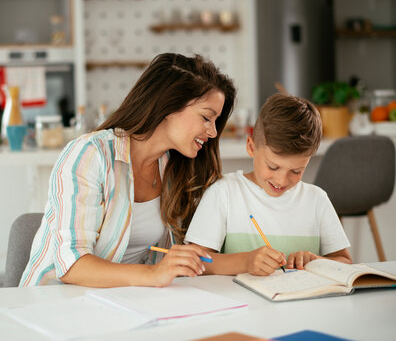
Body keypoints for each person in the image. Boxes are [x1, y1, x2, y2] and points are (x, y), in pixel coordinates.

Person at [20, 53, 237, 287]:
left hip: (126, 304)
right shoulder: (90, 154)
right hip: (57, 304)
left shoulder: (175, 168)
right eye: (206, 117)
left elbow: (187, 258)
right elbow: (72, 265)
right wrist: (152, 274)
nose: (213, 132)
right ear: (169, 105)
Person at [185, 93, 352, 276]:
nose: (281, 181)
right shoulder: (224, 192)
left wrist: (315, 261)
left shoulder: (316, 200)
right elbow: (197, 259)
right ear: (251, 147)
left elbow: (345, 262)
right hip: (241, 303)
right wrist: (246, 262)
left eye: (296, 171)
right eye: (273, 167)